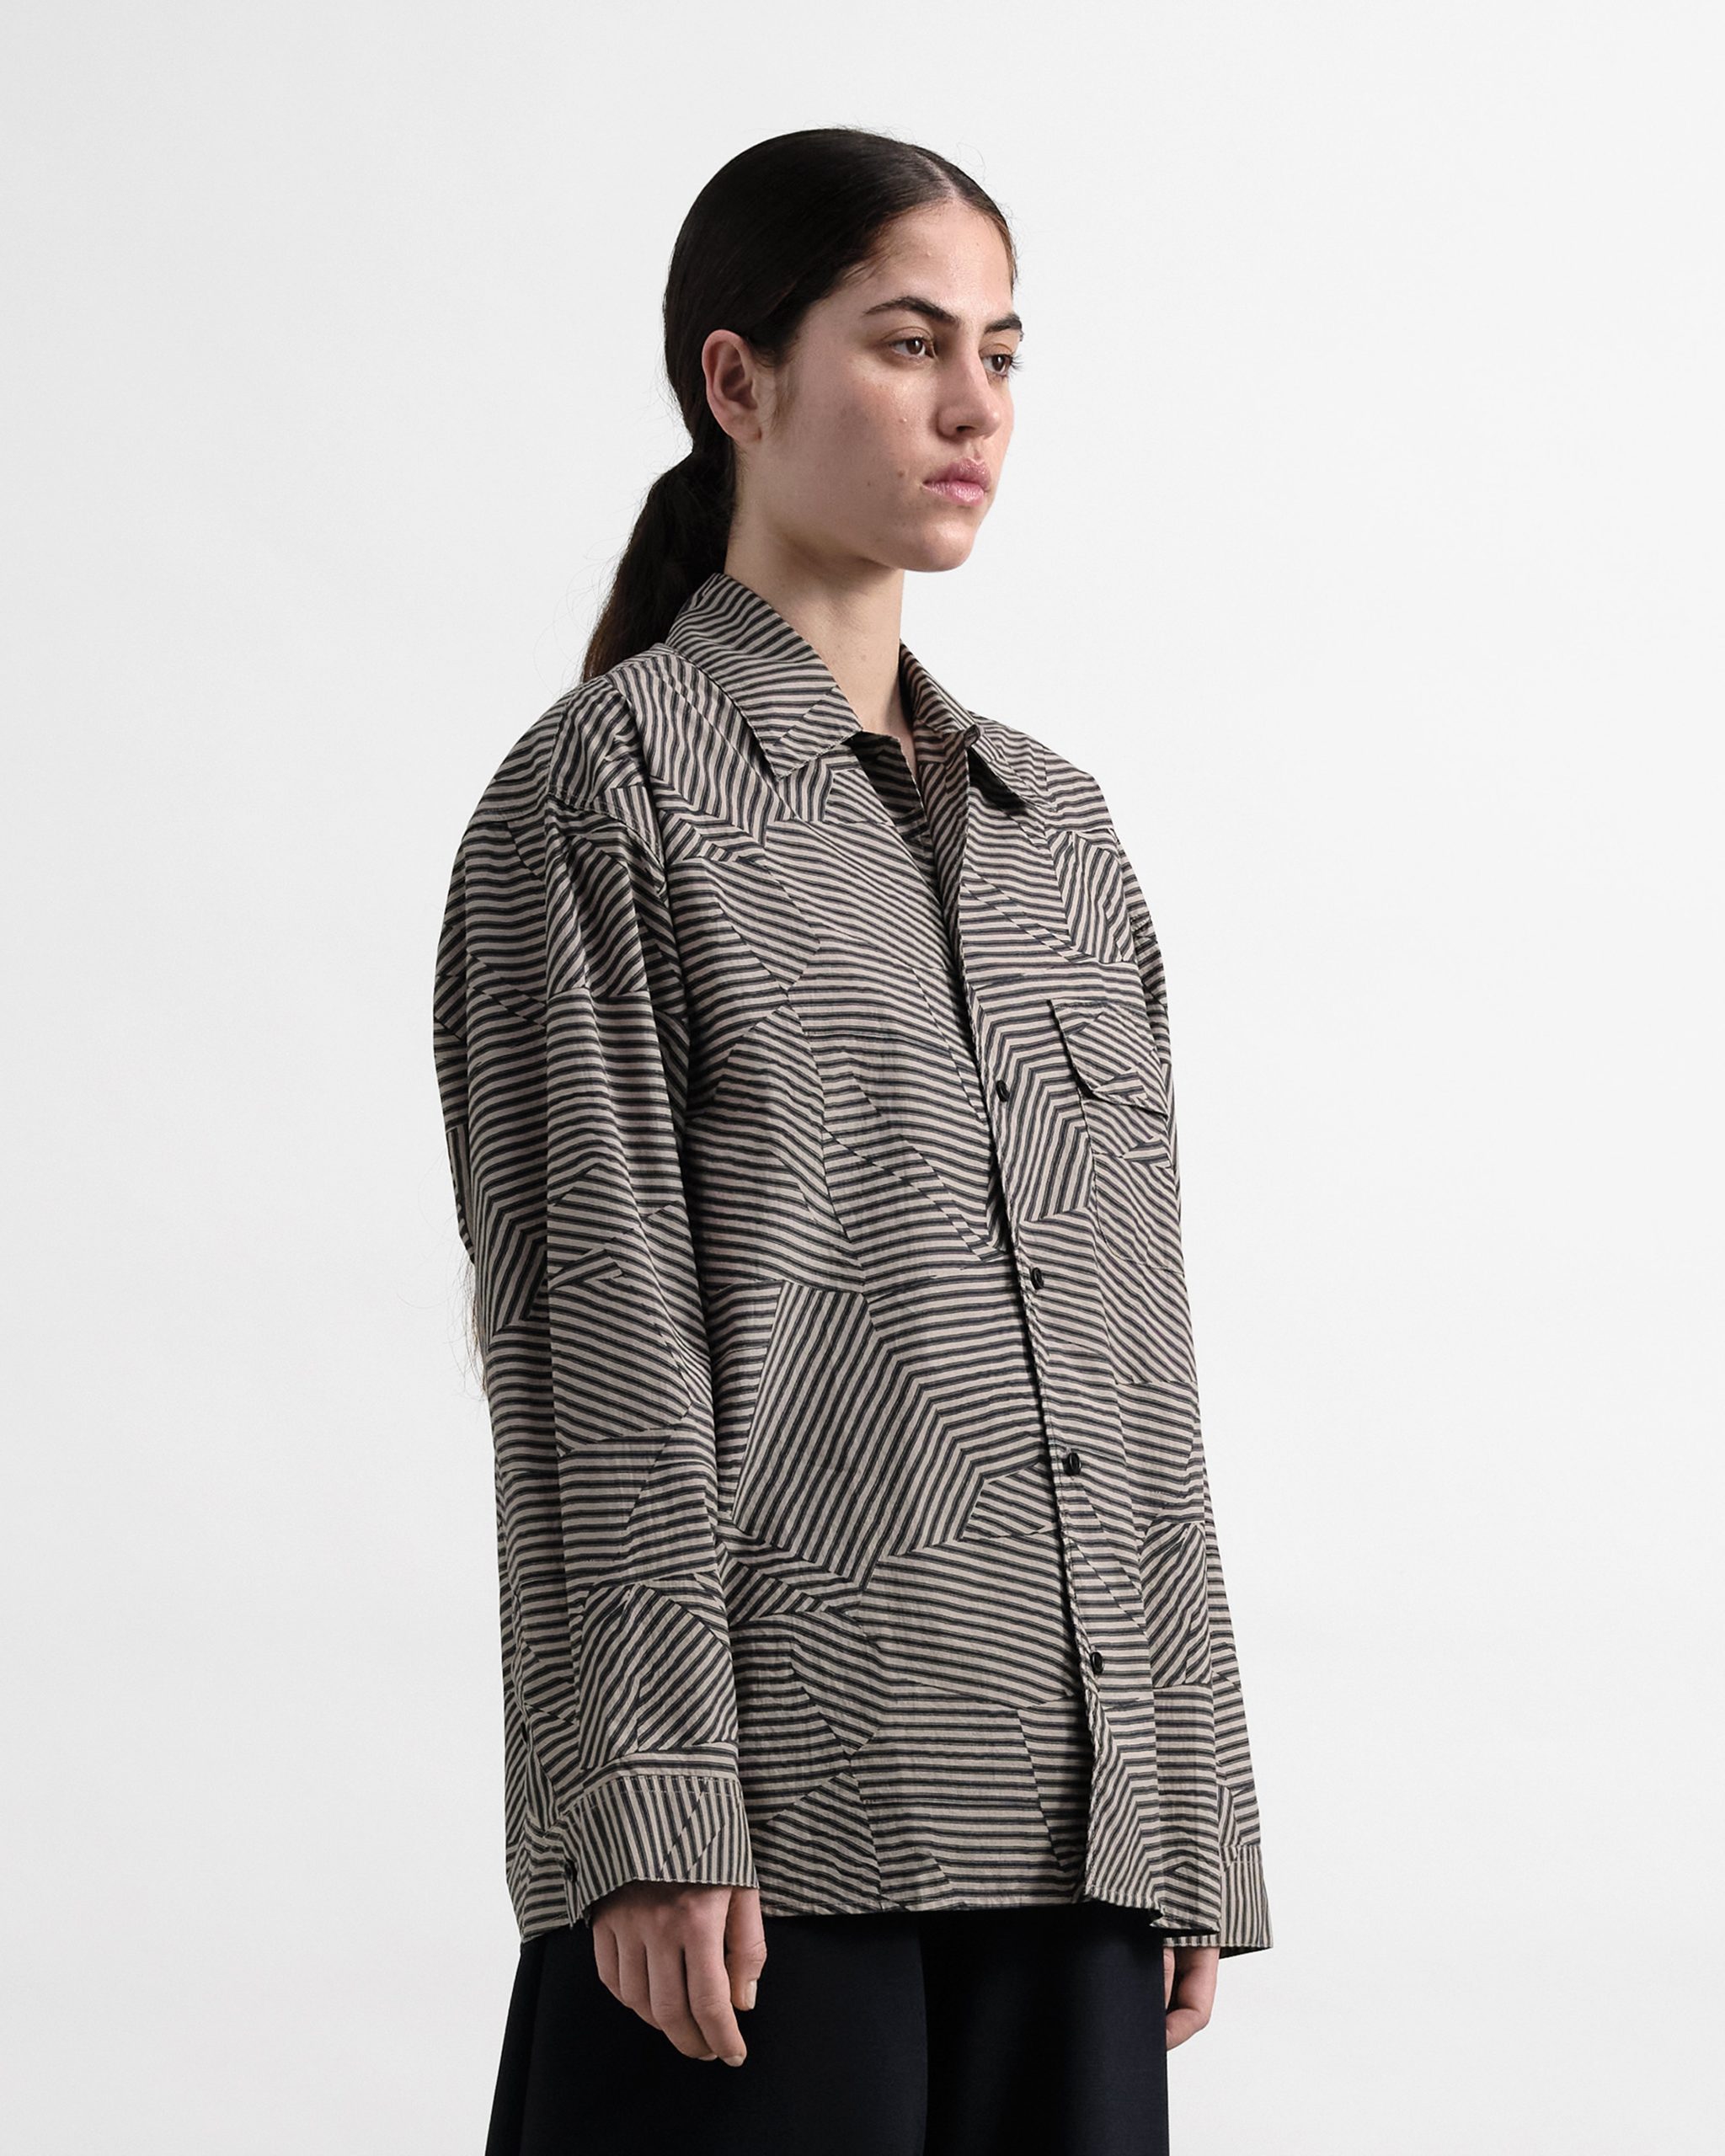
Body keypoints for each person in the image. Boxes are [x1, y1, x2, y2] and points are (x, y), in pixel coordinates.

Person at [433, 125, 1274, 2156]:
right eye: (908, 344)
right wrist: (647, 1804)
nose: (974, 405)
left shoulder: (1058, 830)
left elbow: (1135, 1344)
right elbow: (592, 1339)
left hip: (1082, 1823)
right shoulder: (603, 795)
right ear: (737, 379)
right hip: (768, 1846)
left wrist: (1194, 1806)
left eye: (1001, 350)